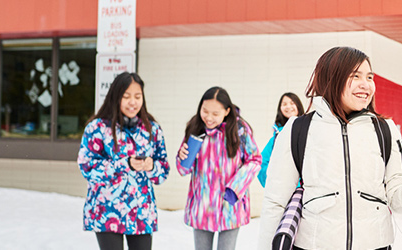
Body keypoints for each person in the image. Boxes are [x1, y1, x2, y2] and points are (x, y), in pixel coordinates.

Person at [258, 46, 402, 250]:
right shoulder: (297, 129)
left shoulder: (385, 130)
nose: (366, 85)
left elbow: (397, 200)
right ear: (331, 78)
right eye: (356, 76)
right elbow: (275, 203)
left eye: (370, 77)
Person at [78, 72, 169, 250]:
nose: (132, 102)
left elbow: (162, 171)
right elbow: (87, 167)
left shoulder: (152, 129)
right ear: (115, 97)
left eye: (137, 96)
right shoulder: (97, 128)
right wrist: (124, 164)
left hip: (141, 212)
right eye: (126, 96)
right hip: (107, 210)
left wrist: (151, 166)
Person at [176, 87, 262, 250]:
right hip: (203, 205)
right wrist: (182, 158)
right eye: (205, 111)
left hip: (229, 205)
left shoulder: (239, 129)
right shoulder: (195, 126)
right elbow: (183, 170)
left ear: (227, 111)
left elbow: (255, 159)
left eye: (215, 114)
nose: (208, 117)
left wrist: (235, 188)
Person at [257, 92, 305, 187]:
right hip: (284, 190)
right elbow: (262, 162)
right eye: (284, 104)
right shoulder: (277, 136)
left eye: (292, 103)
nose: (288, 107)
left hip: (306, 189)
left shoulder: (308, 130)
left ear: (298, 105)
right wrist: (274, 182)